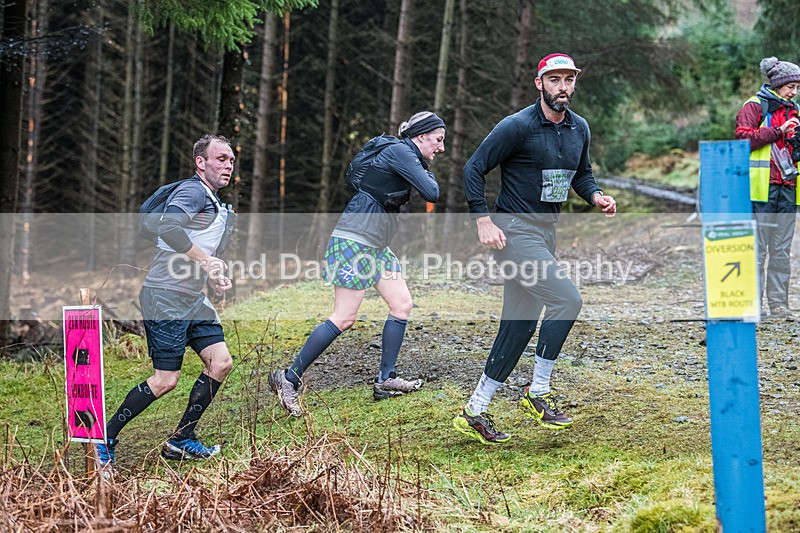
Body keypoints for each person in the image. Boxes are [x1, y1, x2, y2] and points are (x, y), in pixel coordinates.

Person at [453, 53, 616, 444]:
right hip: (512, 232)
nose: (563, 87)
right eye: (555, 80)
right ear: (539, 83)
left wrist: (595, 197)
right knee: (567, 300)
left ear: (575, 84)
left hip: (545, 234)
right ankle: (537, 391)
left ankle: (474, 410)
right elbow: (473, 168)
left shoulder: (579, 129)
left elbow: (583, 175)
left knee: (520, 323)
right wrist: (483, 219)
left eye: (569, 80)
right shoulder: (518, 126)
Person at [269, 111, 445, 417]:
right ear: (420, 136)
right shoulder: (402, 151)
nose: (441, 148)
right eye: (438, 140)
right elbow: (432, 192)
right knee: (344, 317)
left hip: (375, 243)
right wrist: (424, 168)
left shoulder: (405, 154)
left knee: (402, 304)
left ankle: (386, 379)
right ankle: (288, 379)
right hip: (355, 239)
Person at [95, 134, 237, 468]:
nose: (228, 165)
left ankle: (181, 440)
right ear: (200, 162)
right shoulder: (192, 191)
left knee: (221, 363)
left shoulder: (212, 201)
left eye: (231, 160)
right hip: (165, 297)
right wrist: (205, 260)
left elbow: (194, 244)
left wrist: (213, 275)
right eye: (220, 159)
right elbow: (170, 228)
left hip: (191, 298)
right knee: (165, 380)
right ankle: (105, 438)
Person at [735, 57, 800, 318]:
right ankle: (753, 305)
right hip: (761, 189)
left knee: (782, 250)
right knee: (758, 249)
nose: (794, 92)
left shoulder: (795, 110)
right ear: (777, 84)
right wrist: (777, 130)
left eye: (797, 87)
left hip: (789, 187)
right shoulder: (755, 106)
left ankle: (779, 305)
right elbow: (741, 138)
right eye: (791, 86)